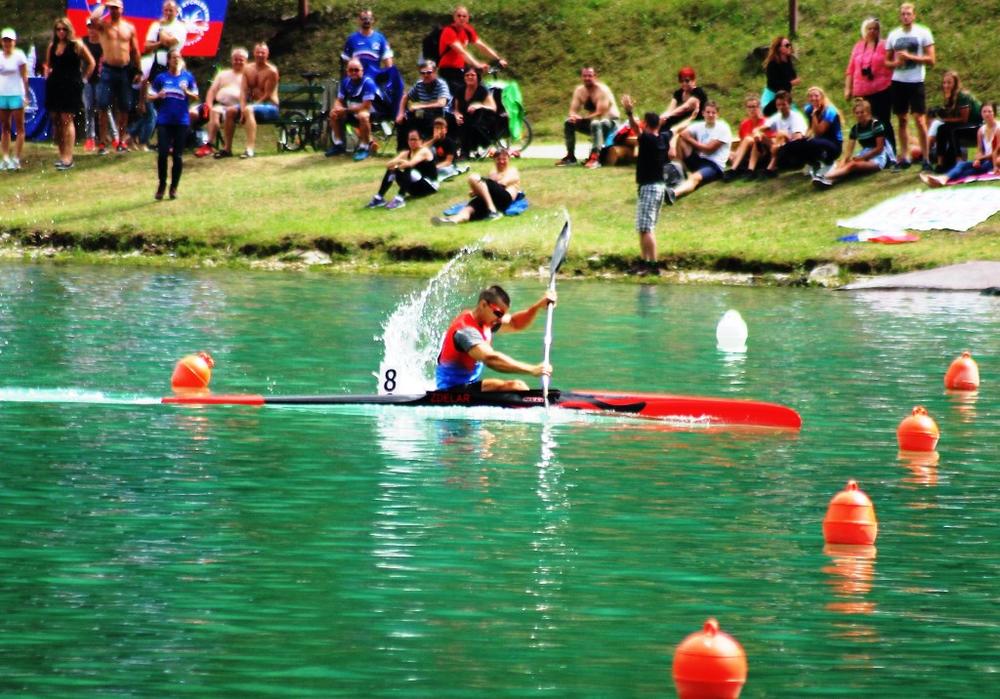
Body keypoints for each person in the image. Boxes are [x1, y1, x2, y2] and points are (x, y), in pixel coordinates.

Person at [435, 285, 554, 392]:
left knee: (518, 387)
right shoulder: (465, 330)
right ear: (483, 305)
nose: (500, 319)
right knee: (517, 387)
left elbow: (514, 323)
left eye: (503, 315)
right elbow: (490, 359)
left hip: (469, 384)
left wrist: (537, 307)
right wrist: (532, 369)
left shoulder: (487, 320)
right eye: (498, 313)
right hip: (450, 391)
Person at [885, 2, 935, 170]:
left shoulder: (923, 32)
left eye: (908, 14)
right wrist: (896, 63)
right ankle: (905, 157)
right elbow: (886, 62)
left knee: (920, 120)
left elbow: (931, 60)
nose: (905, 16)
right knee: (902, 119)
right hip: (898, 81)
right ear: (900, 16)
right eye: (903, 14)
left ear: (914, 15)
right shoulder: (893, 35)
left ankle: (926, 159)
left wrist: (910, 57)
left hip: (916, 81)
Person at [621, 94, 667, 272]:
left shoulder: (648, 139)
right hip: (655, 187)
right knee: (643, 227)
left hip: (650, 187)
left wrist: (629, 112)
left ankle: (653, 264)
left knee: (646, 228)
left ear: (646, 124)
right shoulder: (661, 138)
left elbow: (635, 128)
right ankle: (644, 261)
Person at [89, 0, 141, 155]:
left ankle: (121, 141)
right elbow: (93, 18)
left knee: (124, 106)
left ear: (122, 9)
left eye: (116, 8)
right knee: (103, 104)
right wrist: (103, 5)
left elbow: (135, 50)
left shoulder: (129, 27)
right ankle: (102, 143)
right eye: (112, 8)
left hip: (124, 70)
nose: (114, 11)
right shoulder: (104, 26)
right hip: (108, 69)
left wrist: (138, 70)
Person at [45, 18, 95, 170]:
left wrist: (84, 79)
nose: (61, 32)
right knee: (56, 120)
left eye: (64, 29)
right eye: (58, 29)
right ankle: (62, 155)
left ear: (69, 30)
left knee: (67, 119)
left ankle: (68, 157)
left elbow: (91, 62)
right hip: (55, 84)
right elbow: (49, 64)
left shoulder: (76, 45)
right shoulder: (52, 46)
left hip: (71, 85)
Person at [812, 99, 895, 188]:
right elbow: (848, 153)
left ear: (868, 113)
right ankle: (829, 180)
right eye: (857, 113)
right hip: (864, 153)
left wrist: (862, 158)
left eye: (862, 112)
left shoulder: (876, 125)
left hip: (878, 157)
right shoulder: (855, 129)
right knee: (845, 163)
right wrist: (843, 162)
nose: (859, 115)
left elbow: (879, 149)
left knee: (853, 165)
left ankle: (825, 176)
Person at [149, 48, 197, 200]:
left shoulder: (187, 77)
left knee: (177, 156)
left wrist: (187, 92)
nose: (176, 60)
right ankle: (162, 184)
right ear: (168, 60)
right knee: (163, 154)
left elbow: (196, 96)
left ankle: (174, 187)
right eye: (173, 57)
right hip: (164, 121)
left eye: (179, 57)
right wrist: (158, 95)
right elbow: (149, 95)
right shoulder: (161, 78)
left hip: (181, 121)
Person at [844, 17, 895, 155]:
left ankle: (890, 153)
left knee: (883, 122)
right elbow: (850, 69)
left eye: (875, 29)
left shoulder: (885, 45)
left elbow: (894, 64)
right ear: (864, 30)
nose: (872, 31)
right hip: (862, 92)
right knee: (866, 123)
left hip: (882, 90)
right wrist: (848, 88)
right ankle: (872, 151)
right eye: (869, 29)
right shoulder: (858, 46)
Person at [665, 101, 732, 204]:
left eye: (713, 113)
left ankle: (673, 193)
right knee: (681, 140)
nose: (710, 115)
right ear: (703, 113)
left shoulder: (723, 128)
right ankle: (679, 173)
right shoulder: (699, 125)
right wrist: (672, 146)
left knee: (694, 178)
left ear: (717, 114)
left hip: (714, 165)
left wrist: (690, 139)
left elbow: (708, 150)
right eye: (708, 112)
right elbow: (680, 133)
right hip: (700, 160)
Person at [430, 147, 520, 224]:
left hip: (505, 198)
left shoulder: (512, 171)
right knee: (469, 208)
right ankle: (453, 220)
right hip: (493, 200)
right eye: (498, 159)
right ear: (494, 160)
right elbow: (487, 189)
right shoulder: (492, 173)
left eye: (504, 159)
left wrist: (478, 188)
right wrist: (477, 190)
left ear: (509, 159)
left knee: (473, 177)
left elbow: (502, 184)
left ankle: (492, 211)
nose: (501, 161)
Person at [555, 65, 620, 169]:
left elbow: (600, 113)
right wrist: (574, 116)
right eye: (584, 76)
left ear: (595, 76)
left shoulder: (602, 90)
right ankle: (570, 157)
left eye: (590, 76)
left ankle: (595, 158)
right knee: (568, 122)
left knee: (596, 123)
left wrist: (583, 118)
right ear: (581, 77)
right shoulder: (579, 90)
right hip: (593, 121)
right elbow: (572, 110)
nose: (587, 78)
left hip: (610, 124)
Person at [921, 103, 999, 187]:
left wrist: (981, 158)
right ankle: (942, 179)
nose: (987, 114)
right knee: (961, 164)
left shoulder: (998, 128)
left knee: (968, 172)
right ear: (981, 113)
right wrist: (977, 160)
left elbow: (996, 152)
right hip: (984, 161)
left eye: (989, 111)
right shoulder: (981, 130)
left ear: (994, 113)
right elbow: (980, 150)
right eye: (984, 112)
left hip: (995, 162)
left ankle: (943, 179)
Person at [769, 86, 842, 176]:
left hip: (834, 143)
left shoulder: (830, 111)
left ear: (822, 97)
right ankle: (813, 163)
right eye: (811, 96)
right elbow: (810, 127)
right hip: (820, 140)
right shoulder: (808, 109)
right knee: (795, 144)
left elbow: (819, 132)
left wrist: (814, 114)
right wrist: (803, 139)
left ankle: (828, 163)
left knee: (811, 143)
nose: (813, 98)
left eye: (816, 96)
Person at [437, 6, 507, 98]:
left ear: (468, 18)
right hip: (449, 71)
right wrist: (477, 65)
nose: (461, 18)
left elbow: (482, 46)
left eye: (464, 16)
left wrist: (498, 59)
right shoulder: (449, 31)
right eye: (459, 16)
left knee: (483, 92)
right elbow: (462, 52)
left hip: (462, 70)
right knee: (462, 97)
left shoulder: (468, 30)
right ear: (454, 17)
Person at [196, 47, 249, 158]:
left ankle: (220, 146)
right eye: (236, 59)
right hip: (221, 105)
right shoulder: (223, 74)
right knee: (209, 111)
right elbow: (212, 91)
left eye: (241, 59)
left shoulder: (248, 75)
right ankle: (207, 144)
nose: (238, 62)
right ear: (232, 60)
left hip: (238, 107)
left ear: (246, 61)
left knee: (219, 111)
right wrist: (209, 105)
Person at [366, 129, 438, 210]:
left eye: (414, 139)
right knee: (392, 169)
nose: (412, 142)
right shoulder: (406, 153)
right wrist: (397, 164)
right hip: (415, 187)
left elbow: (410, 163)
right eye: (410, 139)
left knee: (405, 167)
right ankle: (379, 198)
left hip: (429, 186)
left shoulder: (424, 151)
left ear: (421, 141)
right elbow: (388, 164)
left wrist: (398, 163)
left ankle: (400, 199)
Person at [926, 70, 981, 172]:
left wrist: (945, 119)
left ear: (955, 83)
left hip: (976, 125)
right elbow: (952, 116)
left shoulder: (963, 96)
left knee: (952, 130)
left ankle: (958, 162)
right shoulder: (949, 96)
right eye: (944, 83)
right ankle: (940, 163)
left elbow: (964, 119)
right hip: (964, 124)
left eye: (949, 83)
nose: (946, 85)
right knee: (941, 128)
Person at [325, 58, 375, 159]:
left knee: (363, 116)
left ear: (362, 71)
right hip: (351, 112)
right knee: (333, 113)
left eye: (356, 70)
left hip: (369, 113)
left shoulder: (368, 83)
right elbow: (339, 99)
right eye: (351, 70)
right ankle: (338, 145)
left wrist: (345, 110)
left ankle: (364, 147)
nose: (353, 72)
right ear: (347, 71)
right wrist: (337, 107)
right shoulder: (345, 82)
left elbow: (366, 106)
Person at [395, 60, 450, 151]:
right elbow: (405, 97)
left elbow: (441, 103)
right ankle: (404, 150)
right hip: (425, 116)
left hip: (441, 116)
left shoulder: (441, 84)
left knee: (435, 118)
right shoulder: (419, 85)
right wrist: (400, 114)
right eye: (423, 73)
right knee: (404, 119)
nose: (426, 75)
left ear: (435, 72)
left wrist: (420, 106)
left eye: (429, 72)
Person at [81, 19, 118, 152]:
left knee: (105, 108)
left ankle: (114, 137)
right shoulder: (83, 42)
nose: (91, 30)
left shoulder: (103, 42)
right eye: (89, 27)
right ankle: (90, 138)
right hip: (87, 79)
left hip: (101, 79)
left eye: (94, 27)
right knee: (88, 108)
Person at [242, 42, 280, 159]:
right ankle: (227, 149)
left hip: (270, 106)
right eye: (258, 52)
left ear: (267, 54)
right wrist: (242, 106)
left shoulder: (272, 71)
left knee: (248, 109)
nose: (260, 55)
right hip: (252, 106)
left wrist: (248, 107)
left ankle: (250, 149)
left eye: (263, 53)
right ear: (254, 53)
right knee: (230, 111)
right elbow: (243, 91)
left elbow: (268, 95)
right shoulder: (247, 69)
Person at [0, 27, 29, 171]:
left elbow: (24, 76)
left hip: (17, 94)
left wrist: (26, 95)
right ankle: (5, 158)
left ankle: (16, 158)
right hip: (2, 94)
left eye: (9, 41)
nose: (7, 43)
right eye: (5, 40)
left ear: (14, 42)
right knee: (5, 127)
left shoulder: (19, 56)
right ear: (2, 42)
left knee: (19, 128)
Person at [760, 90, 808, 177]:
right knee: (761, 136)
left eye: (783, 104)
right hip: (780, 147)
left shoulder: (796, 117)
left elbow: (798, 138)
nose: (781, 107)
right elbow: (762, 128)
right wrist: (757, 132)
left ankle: (771, 167)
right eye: (778, 105)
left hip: (795, 149)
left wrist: (783, 138)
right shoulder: (777, 116)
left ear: (789, 104)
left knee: (781, 134)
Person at [452, 64, 496, 158]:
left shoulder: (482, 90)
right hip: (464, 119)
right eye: (467, 75)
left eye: (472, 75)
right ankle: (451, 152)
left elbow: (493, 108)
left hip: (481, 121)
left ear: (477, 77)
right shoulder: (460, 90)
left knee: (468, 124)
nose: (469, 77)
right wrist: (457, 115)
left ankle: (465, 153)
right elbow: (456, 109)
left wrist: (479, 105)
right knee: (450, 120)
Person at [724, 95, 769, 180]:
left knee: (749, 139)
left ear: (759, 107)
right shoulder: (744, 124)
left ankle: (734, 169)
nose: (752, 109)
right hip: (748, 154)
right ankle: (737, 167)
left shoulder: (766, 122)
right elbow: (742, 144)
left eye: (754, 107)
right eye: (749, 107)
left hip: (762, 152)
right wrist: (735, 154)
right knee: (730, 152)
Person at [341, 8, 393, 80]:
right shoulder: (351, 39)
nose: (367, 21)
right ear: (359, 20)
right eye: (364, 19)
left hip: (374, 80)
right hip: (355, 80)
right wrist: (345, 81)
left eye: (369, 19)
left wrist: (391, 79)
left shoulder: (380, 38)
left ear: (373, 20)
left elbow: (388, 62)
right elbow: (345, 63)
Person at [143, 1, 186, 83]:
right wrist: (159, 43)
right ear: (162, 10)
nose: (168, 13)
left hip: (174, 67)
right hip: (157, 66)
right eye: (166, 10)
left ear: (176, 12)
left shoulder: (180, 27)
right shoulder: (155, 25)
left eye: (171, 10)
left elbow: (168, 42)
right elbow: (146, 47)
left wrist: (161, 29)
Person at [761, 36, 800, 115]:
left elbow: (792, 75)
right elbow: (774, 84)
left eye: (790, 44)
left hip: (784, 96)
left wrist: (794, 80)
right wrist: (791, 83)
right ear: (779, 48)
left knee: (796, 117)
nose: (789, 47)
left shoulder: (787, 59)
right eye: (786, 45)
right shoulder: (772, 64)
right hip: (772, 97)